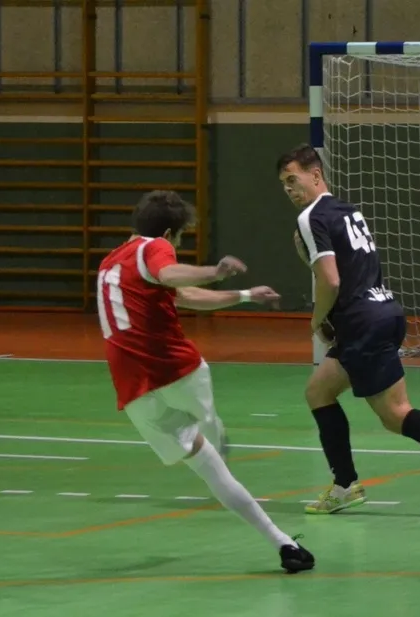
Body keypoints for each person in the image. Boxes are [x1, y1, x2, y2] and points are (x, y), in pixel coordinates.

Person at [278, 144, 420, 515]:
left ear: (316, 175)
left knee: (396, 415)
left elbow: (331, 280)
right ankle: (345, 485)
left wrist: (316, 320)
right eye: (284, 184)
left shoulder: (310, 218)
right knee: (319, 391)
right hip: (384, 311)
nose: (290, 189)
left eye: (294, 180)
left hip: (362, 324)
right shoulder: (349, 211)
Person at [96, 189, 314, 574]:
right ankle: (213, 425)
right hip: (175, 370)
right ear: (169, 234)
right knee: (207, 416)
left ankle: (283, 543)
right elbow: (169, 274)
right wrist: (215, 271)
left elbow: (183, 294)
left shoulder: (112, 262)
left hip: (134, 392)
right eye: (179, 238)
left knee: (212, 469)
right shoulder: (153, 248)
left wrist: (244, 295)